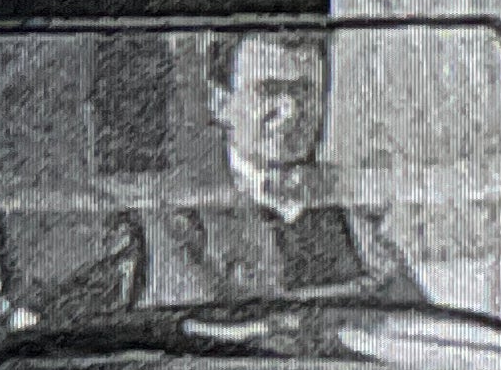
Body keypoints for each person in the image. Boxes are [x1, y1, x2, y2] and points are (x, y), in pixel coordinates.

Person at [142, 30, 423, 305]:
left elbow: (409, 313)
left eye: (303, 90)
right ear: (220, 102)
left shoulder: (352, 206)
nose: (290, 112)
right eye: (268, 90)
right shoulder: (176, 214)